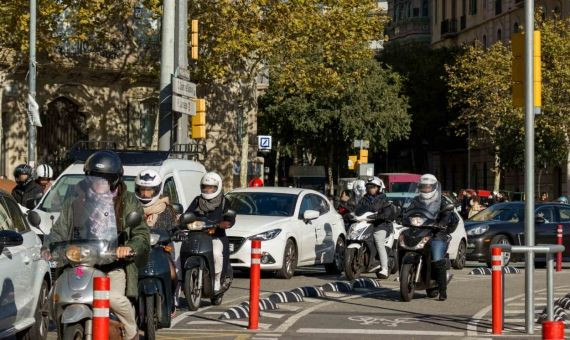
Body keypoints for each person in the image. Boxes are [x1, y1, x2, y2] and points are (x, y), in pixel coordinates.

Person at [43, 151, 150, 340]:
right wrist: (49, 247)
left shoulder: (128, 200)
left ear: (116, 179)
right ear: (87, 177)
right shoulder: (75, 199)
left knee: (114, 298)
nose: (99, 182)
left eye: (105, 179)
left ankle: (132, 334)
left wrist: (129, 247)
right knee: (57, 298)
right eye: (95, 177)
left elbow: (141, 233)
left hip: (113, 263)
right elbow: (59, 229)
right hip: (79, 264)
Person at [406, 174, 459, 301]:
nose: (425, 189)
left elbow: (447, 213)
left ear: (434, 187)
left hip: (437, 233)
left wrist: (441, 224)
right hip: (420, 231)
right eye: (423, 187)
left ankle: (442, 291)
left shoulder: (442, 200)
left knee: (436, 258)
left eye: (428, 187)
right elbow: (408, 211)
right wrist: (402, 216)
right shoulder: (416, 200)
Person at [135, 169, 180, 314]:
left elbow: (173, 227)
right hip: (138, 249)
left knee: (172, 273)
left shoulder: (166, 209)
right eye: (142, 190)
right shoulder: (132, 206)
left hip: (161, 250)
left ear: (157, 190)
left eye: (149, 191)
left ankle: (171, 297)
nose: (145, 194)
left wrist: (176, 233)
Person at [185, 172, 235, 292]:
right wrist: (183, 220)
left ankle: (217, 279)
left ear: (217, 187)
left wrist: (225, 223)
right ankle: (182, 283)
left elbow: (230, 217)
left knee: (216, 254)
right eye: (205, 187)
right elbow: (188, 214)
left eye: (211, 187)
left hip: (215, 237)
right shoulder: (197, 201)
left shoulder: (224, 201)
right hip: (197, 235)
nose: (208, 190)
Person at [354, 176, 396, 279]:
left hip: (381, 225)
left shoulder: (384, 199)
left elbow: (387, 213)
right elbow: (357, 210)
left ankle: (384, 268)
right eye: (369, 187)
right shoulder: (364, 199)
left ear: (378, 188)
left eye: (373, 187)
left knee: (378, 240)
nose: (371, 189)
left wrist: (380, 216)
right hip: (367, 224)